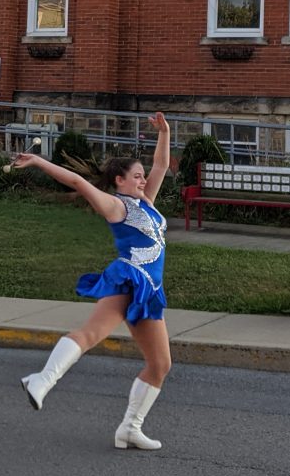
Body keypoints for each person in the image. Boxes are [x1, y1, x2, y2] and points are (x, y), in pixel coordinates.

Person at [12, 113, 173, 450]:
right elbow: (78, 183)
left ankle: (130, 428)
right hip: (127, 280)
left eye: (143, 177)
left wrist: (165, 133)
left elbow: (160, 166)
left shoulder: (147, 204)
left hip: (149, 289)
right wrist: (40, 161)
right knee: (91, 334)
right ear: (119, 180)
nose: (144, 180)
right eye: (137, 176)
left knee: (160, 364)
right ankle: (41, 379)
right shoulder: (117, 207)